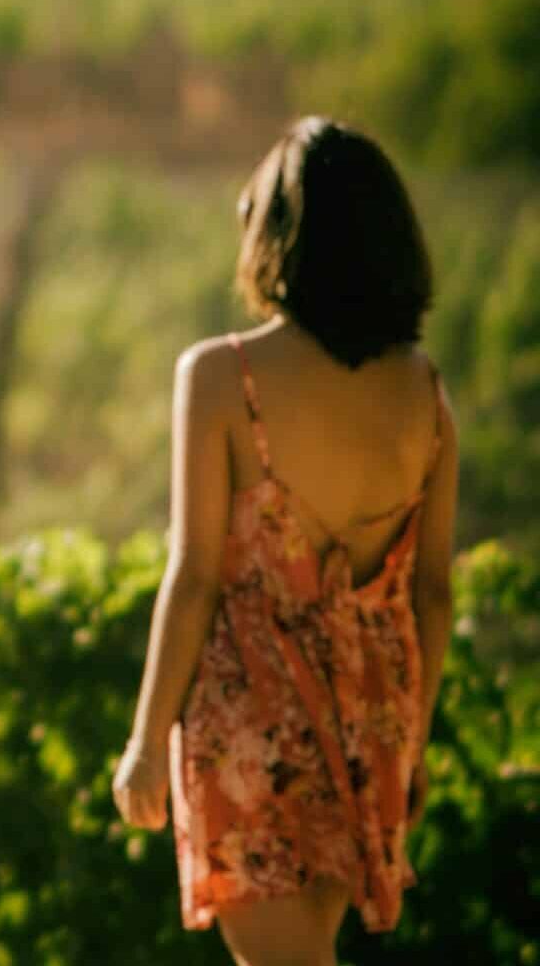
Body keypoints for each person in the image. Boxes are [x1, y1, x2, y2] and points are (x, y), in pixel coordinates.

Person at [113, 117, 456, 966]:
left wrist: (146, 741)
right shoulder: (424, 392)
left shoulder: (222, 376)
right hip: (372, 717)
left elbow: (193, 575)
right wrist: (410, 743)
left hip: (251, 718)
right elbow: (433, 593)